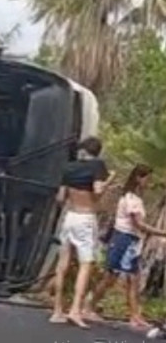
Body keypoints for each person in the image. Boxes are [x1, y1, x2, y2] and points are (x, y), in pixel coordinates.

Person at [83, 164, 166, 330]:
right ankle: (89, 306)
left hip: (133, 241)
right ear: (138, 178)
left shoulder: (137, 199)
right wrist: (161, 233)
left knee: (132, 279)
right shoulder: (129, 199)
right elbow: (139, 224)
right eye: (146, 178)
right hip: (123, 239)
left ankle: (135, 316)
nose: (148, 182)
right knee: (110, 277)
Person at [50, 137, 115, 329]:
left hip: (69, 216)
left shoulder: (69, 168)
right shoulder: (98, 166)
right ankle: (76, 310)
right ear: (98, 152)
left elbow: (60, 198)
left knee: (62, 264)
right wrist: (109, 180)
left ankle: (57, 310)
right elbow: (97, 191)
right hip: (85, 218)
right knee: (86, 264)